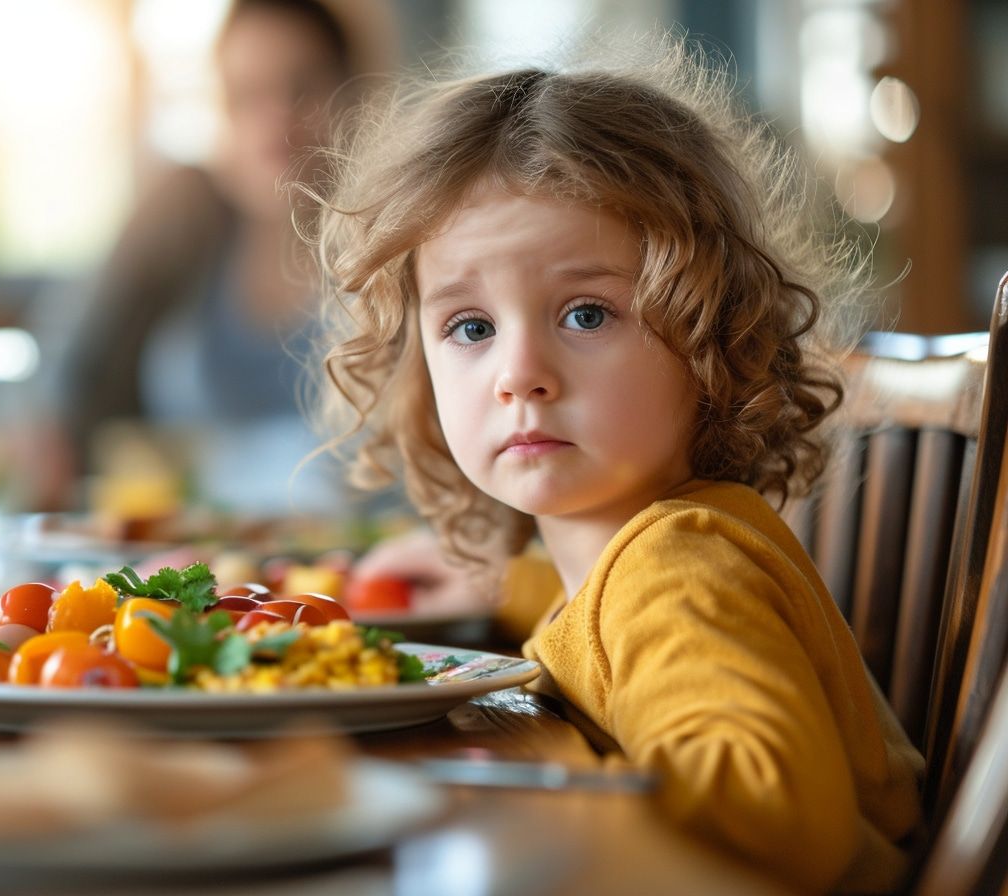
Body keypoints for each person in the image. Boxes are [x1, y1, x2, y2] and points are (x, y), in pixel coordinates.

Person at [306, 36, 923, 894]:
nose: (520, 373)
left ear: (711, 336)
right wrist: (498, 585)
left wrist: (526, 806)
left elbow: (782, 827)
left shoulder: (676, 572)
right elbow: (614, 633)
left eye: (587, 314)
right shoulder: (649, 560)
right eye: (472, 327)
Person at [24, 0, 376, 513]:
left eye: (302, 90)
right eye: (245, 95)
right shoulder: (187, 212)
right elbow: (63, 370)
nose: (276, 119)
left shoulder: (395, 242)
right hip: (187, 567)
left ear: (356, 95)